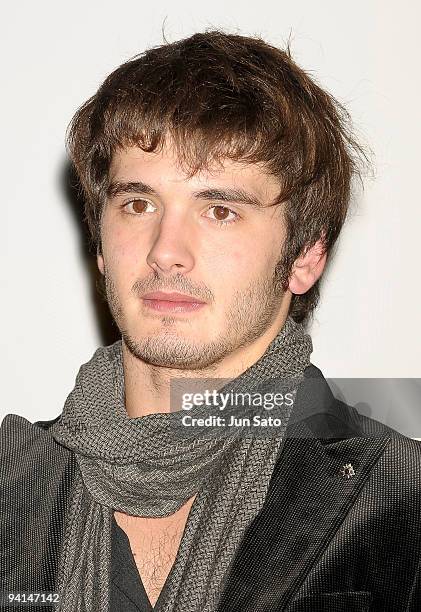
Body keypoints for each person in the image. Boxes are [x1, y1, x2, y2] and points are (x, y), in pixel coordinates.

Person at [1, 30, 420, 612]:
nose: (165, 250)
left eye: (219, 210)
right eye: (137, 204)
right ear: (99, 244)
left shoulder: (401, 501)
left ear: (305, 257)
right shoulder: (14, 480)